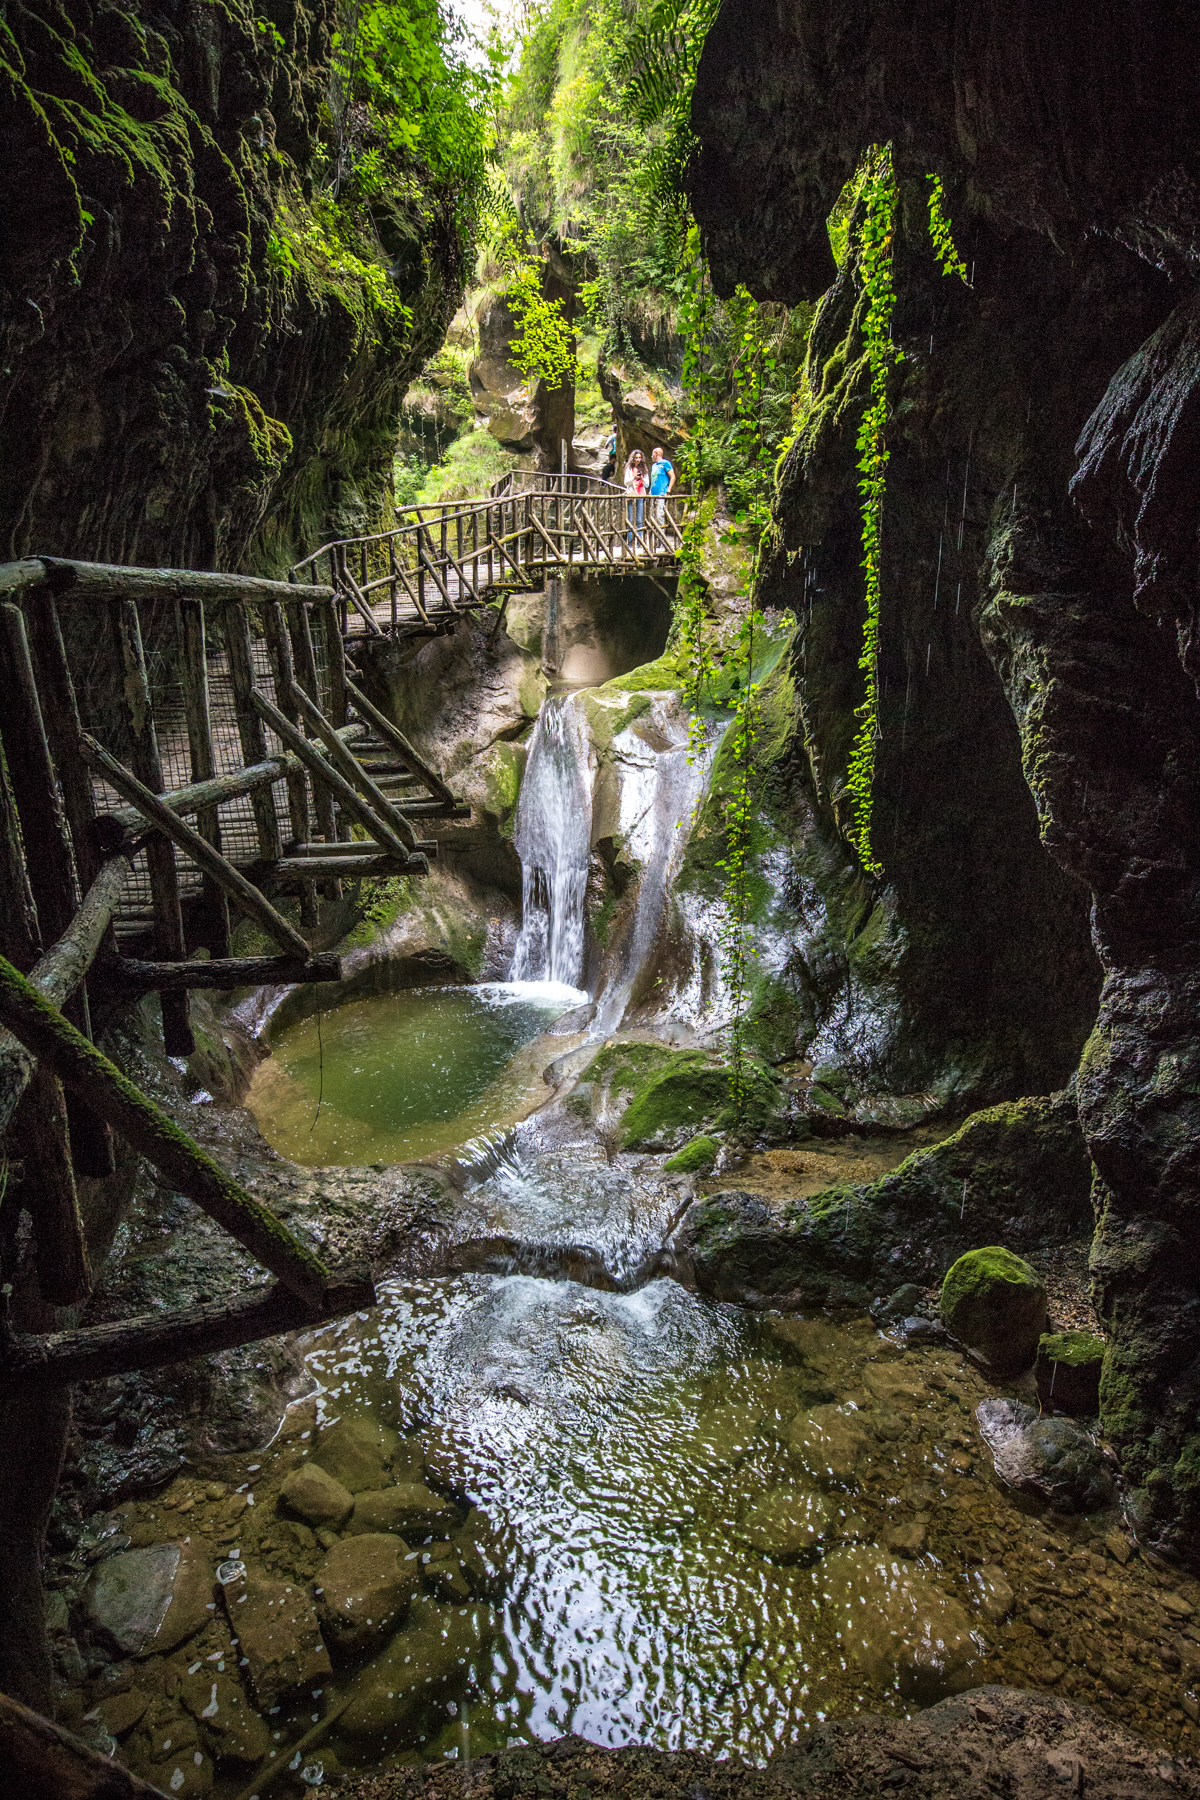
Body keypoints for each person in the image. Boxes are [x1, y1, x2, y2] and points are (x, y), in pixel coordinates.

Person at [649, 446, 676, 533]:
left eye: (652, 454)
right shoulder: (653, 466)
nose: (651, 456)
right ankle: (654, 539)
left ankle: (661, 539)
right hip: (652, 494)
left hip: (661, 493)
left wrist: (668, 490)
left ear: (656, 454)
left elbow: (673, 477)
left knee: (659, 516)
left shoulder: (665, 463)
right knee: (652, 516)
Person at [624, 448, 647, 546]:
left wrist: (642, 478)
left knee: (639, 519)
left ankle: (639, 542)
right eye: (636, 457)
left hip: (641, 494)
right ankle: (630, 542)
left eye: (639, 458)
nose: (638, 459)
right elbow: (625, 482)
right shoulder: (629, 468)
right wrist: (633, 478)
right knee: (630, 519)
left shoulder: (644, 468)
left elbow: (647, 484)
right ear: (633, 458)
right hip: (631, 493)